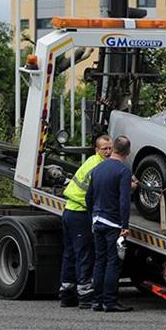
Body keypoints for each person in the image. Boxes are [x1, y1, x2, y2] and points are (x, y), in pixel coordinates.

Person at [59, 134, 112, 308]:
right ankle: (84, 295)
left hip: (70, 211)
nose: (108, 151)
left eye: (110, 148)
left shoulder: (92, 161)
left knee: (70, 253)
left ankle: (67, 293)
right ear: (97, 150)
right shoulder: (98, 166)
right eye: (104, 148)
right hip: (79, 212)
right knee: (84, 254)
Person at [86, 135, 133, 312]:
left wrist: (93, 216)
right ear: (128, 152)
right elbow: (124, 201)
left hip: (97, 220)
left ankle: (96, 302)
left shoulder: (97, 169)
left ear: (113, 148)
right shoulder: (123, 171)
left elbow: (88, 196)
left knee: (99, 261)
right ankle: (110, 302)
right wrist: (125, 225)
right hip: (113, 223)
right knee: (113, 262)